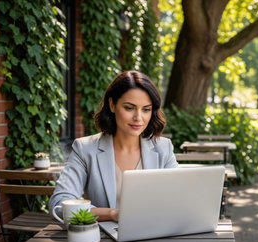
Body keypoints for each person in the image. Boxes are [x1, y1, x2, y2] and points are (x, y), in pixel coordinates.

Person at [49, 70, 178, 222]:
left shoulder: (163, 148)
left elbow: (179, 198)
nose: (138, 118)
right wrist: (112, 214)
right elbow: (59, 203)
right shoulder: (85, 149)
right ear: (112, 105)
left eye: (146, 109)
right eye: (129, 108)